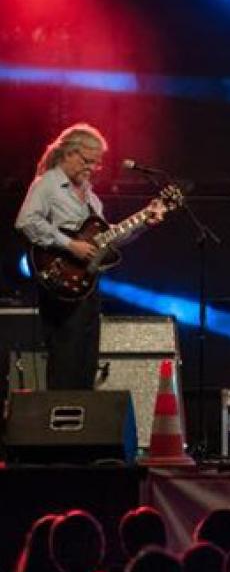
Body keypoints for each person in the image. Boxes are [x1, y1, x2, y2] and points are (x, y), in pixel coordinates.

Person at [15, 123, 164, 390]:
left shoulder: (92, 200)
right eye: (87, 161)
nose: (92, 169)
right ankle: (61, 421)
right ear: (69, 153)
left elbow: (108, 240)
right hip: (59, 280)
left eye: (96, 164)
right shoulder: (47, 183)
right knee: (66, 355)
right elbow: (26, 221)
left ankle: (82, 419)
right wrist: (70, 244)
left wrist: (144, 221)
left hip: (88, 285)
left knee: (86, 356)